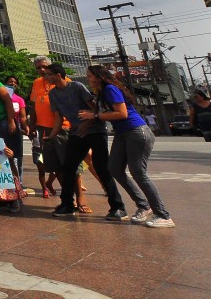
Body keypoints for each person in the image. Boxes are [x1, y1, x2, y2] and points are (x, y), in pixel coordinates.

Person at [81, 65, 174, 228]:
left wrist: (94, 115)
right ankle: (143, 206)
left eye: (90, 76)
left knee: (138, 172)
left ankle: (163, 215)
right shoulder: (102, 93)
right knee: (115, 168)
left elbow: (122, 113)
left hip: (135, 131)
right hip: (122, 133)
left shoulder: (110, 89)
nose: (88, 79)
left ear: (99, 76)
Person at [45, 63, 127, 220]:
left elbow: (96, 108)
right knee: (68, 167)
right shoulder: (53, 94)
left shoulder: (76, 86)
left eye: (49, 74)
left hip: (96, 130)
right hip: (76, 133)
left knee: (102, 168)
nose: (46, 77)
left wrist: (86, 124)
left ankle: (118, 207)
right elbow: (58, 118)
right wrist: (52, 135)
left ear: (58, 74)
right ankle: (68, 204)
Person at [29, 56, 65, 198]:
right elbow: (33, 105)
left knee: (67, 163)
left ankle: (76, 197)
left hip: (63, 128)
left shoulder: (64, 81)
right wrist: (32, 126)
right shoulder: (36, 83)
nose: (41, 70)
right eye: (38, 68)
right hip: (43, 129)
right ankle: (67, 196)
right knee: (51, 164)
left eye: (44, 67)